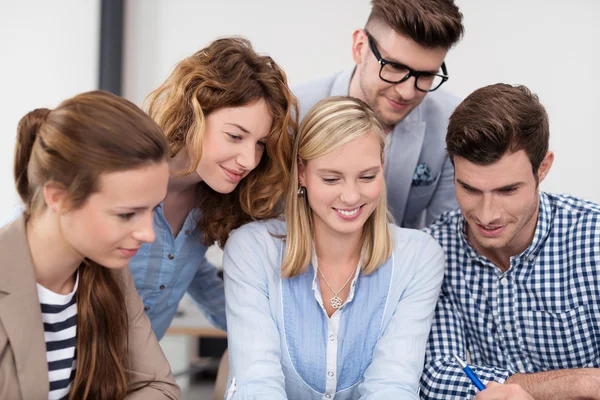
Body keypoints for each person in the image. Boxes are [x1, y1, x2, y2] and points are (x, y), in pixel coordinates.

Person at [223, 96, 445, 399]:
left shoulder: (418, 257)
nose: (351, 197)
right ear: (302, 173)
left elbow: (393, 385)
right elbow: (257, 384)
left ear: (383, 165)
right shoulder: (252, 250)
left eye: (367, 177)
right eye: (331, 179)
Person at [421, 83, 600, 399]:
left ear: (542, 168)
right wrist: (582, 383)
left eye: (507, 190)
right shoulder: (433, 251)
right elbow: (437, 376)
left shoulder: (593, 237)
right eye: (470, 190)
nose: (487, 215)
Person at [0, 91, 180, 399]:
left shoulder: (110, 272)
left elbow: (160, 388)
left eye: (153, 209)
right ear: (58, 197)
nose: (148, 234)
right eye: (126, 214)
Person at [129, 37, 297, 340]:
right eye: (235, 136)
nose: (248, 160)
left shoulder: (212, 200)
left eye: (260, 144)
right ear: (193, 114)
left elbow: (191, 270)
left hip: (135, 376)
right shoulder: (119, 175)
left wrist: (263, 333)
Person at [293, 0, 464, 228]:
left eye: (425, 75)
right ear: (359, 47)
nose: (406, 92)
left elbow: (446, 234)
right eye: (394, 67)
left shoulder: (451, 123)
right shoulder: (292, 114)